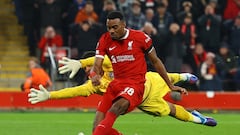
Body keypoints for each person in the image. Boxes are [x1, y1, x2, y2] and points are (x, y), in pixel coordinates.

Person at [89, 11, 210, 135]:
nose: (111, 31)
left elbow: (156, 62)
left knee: (117, 108)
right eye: (109, 28)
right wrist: (94, 75)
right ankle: (195, 116)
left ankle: (185, 78)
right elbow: (97, 65)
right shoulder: (105, 39)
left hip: (136, 85)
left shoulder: (141, 38)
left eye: (115, 27)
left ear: (124, 24)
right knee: (96, 127)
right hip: (116, 84)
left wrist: (170, 85)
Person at [28, 53, 217, 131]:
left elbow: (100, 56)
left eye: (90, 68)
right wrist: (50, 95)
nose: (90, 72)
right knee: (171, 111)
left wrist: (80, 62)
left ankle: (183, 76)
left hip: (146, 80)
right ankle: (197, 119)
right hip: (142, 99)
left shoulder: (108, 63)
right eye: (88, 71)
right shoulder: (93, 85)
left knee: (168, 77)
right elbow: (73, 91)